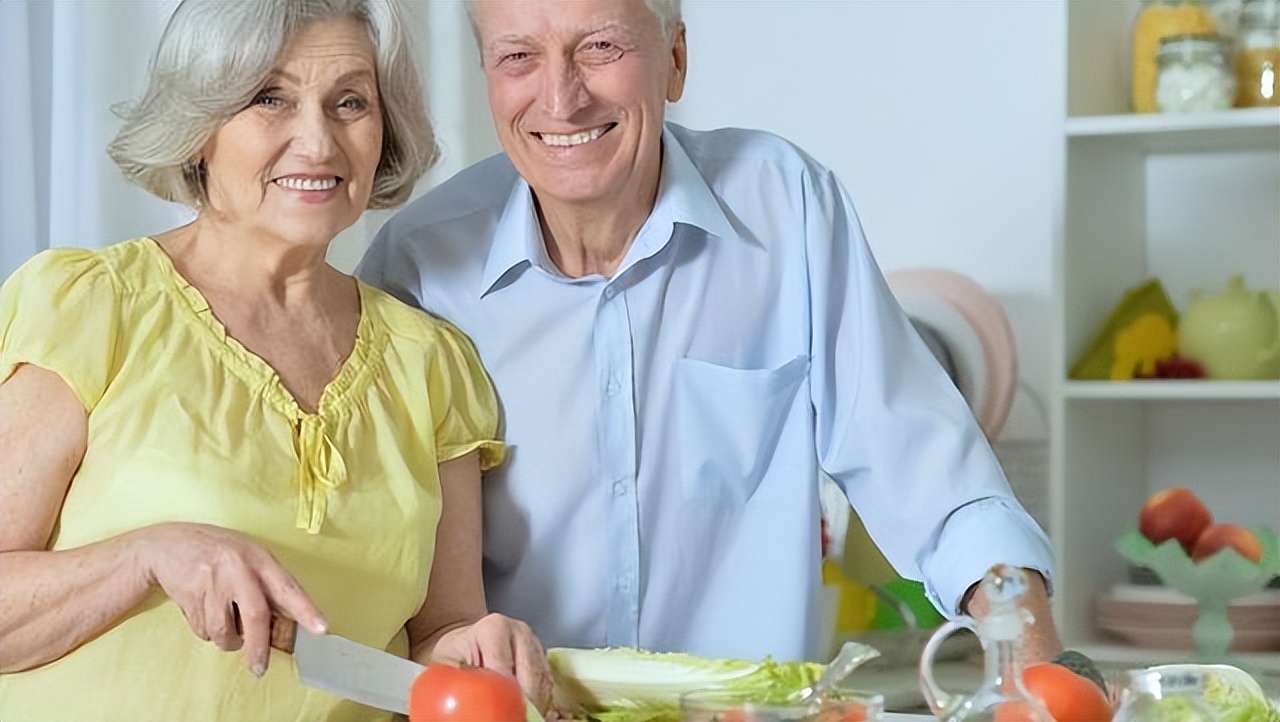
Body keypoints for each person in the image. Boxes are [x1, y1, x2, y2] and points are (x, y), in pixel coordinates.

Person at [358, 0, 1064, 665]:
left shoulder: (787, 209)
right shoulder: (421, 268)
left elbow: (932, 478)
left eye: (601, 46)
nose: (561, 98)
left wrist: (1029, 652)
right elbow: (373, 553)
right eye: (518, 57)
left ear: (675, 57)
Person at [0, 1, 552, 720]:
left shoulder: (431, 364)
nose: (318, 140)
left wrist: (475, 652)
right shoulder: (91, 306)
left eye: (350, 101)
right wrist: (144, 555)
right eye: (270, 98)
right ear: (199, 129)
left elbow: (435, 638)